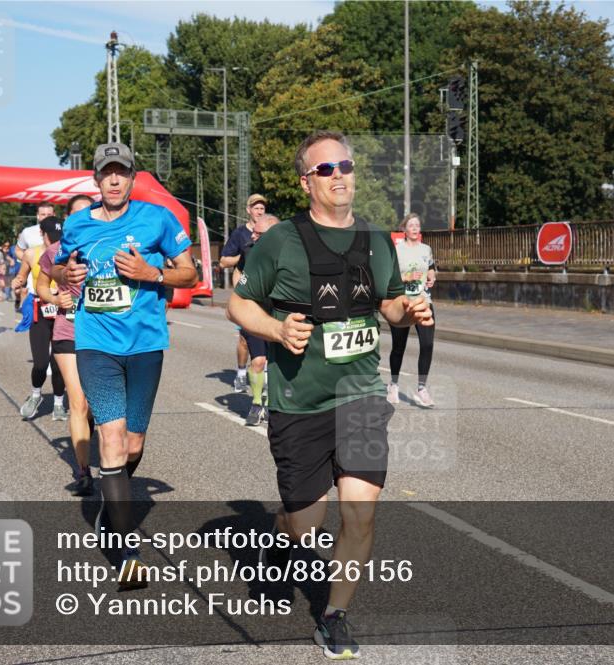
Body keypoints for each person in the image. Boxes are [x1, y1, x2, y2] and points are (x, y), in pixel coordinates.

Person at [227, 130, 433, 659]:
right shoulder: (281, 241)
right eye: (325, 169)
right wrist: (277, 330)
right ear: (306, 182)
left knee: (361, 513)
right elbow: (239, 305)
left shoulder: (377, 239)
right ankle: (279, 538)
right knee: (305, 528)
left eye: (345, 166)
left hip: (361, 397)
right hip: (300, 403)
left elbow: (388, 306)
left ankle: (334, 616)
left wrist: (408, 311)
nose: (339, 175)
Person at [50, 143, 197, 589]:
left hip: (146, 344)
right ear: (96, 179)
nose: (114, 180)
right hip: (95, 344)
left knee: (133, 445)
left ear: (132, 178)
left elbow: (190, 273)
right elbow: (54, 269)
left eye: (122, 172)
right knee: (110, 438)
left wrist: (152, 274)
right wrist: (65, 276)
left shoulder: (158, 219)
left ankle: (108, 505)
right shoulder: (76, 224)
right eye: (106, 173)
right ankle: (126, 550)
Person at [38, 194, 96, 495]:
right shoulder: (55, 251)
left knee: (96, 406)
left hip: (104, 333)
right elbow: (41, 285)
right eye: (77, 214)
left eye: (90, 212)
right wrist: (54, 298)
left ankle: (94, 435)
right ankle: (84, 472)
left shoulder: (108, 246)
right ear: (69, 219)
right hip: (68, 331)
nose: (85, 218)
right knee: (79, 402)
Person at [11, 217, 66, 421]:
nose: (55, 241)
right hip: (40, 309)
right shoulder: (31, 253)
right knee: (41, 363)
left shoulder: (68, 251)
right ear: (42, 234)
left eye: (58, 237)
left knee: (59, 363)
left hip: (63, 310)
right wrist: (17, 282)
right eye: (52, 237)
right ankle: (36, 395)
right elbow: (22, 275)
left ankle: (59, 403)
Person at [387, 213, 437, 408]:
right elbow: (389, 276)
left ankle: (422, 388)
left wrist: (432, 276)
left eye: (417, 225)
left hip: (423, 302)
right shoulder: (397, 250)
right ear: (404, 229)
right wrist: (406, 278)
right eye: (411, 225)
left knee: (427, 344)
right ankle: (393, 384)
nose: (415, 228)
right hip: (403, 303)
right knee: (399, 346)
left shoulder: (426, 249)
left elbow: (430, 267)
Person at [221, 194, 267, 392]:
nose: (259, 212)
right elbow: (224, 261)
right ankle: (241, 373)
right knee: (244, 338)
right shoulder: (240, 234)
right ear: (248, 210)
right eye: (256, 208)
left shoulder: (270, 232)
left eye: (262, 208)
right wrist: (244, 255)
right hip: (245, 294)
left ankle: (264, 377)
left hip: (265, 295)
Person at [238, 213, 279, 426]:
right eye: (253, 232)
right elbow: (238, 272)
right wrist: (239, 297)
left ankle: (271, 404)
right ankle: (256, 404)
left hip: (278, 316)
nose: (252, 236)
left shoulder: (290, 253)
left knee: (276, 363)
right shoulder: (249, 251)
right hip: (254, 314)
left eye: (258, 233)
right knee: (258, 361)